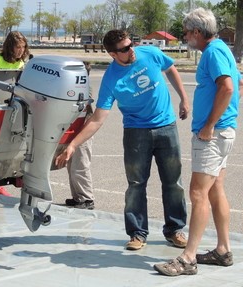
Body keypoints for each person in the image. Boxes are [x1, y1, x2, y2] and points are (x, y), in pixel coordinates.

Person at [56, 29, 190, 250]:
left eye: (132, 44)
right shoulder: (111, 78)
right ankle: (137, 233)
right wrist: (72, 145)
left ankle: (175, 229)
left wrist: (184, 99)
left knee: (173, 182)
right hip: (136, 133)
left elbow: (170, 68)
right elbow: (98, 118)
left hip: (166, 126)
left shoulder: (150, 53)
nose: (132, 50)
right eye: (126, 49)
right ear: (113, 54)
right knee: (136, 185)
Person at [154, 8, 242, 276]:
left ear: (196, 32)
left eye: (187, 32)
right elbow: (237, 80)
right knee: (215, 189)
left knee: (197, 193)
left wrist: (209, 125)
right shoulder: (220, 49)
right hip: (224, 131)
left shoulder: (213, 52)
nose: (185, 36)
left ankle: (188, 258)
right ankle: (223, 250)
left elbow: (228, 86)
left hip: (213, 135)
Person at [0, 31, 30, 196]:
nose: (21, 51)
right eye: (18, 47)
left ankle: (17, 177)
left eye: (23, 47)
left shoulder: (21, 64)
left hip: (12, 108)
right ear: (10, 47)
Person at [52, 61, 95, 209]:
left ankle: (87, 199)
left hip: (83, 130)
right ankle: (77, 197)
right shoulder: (73, 86)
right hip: (74, 129)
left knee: (80, 165)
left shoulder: (84, 87)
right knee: (72, 165)